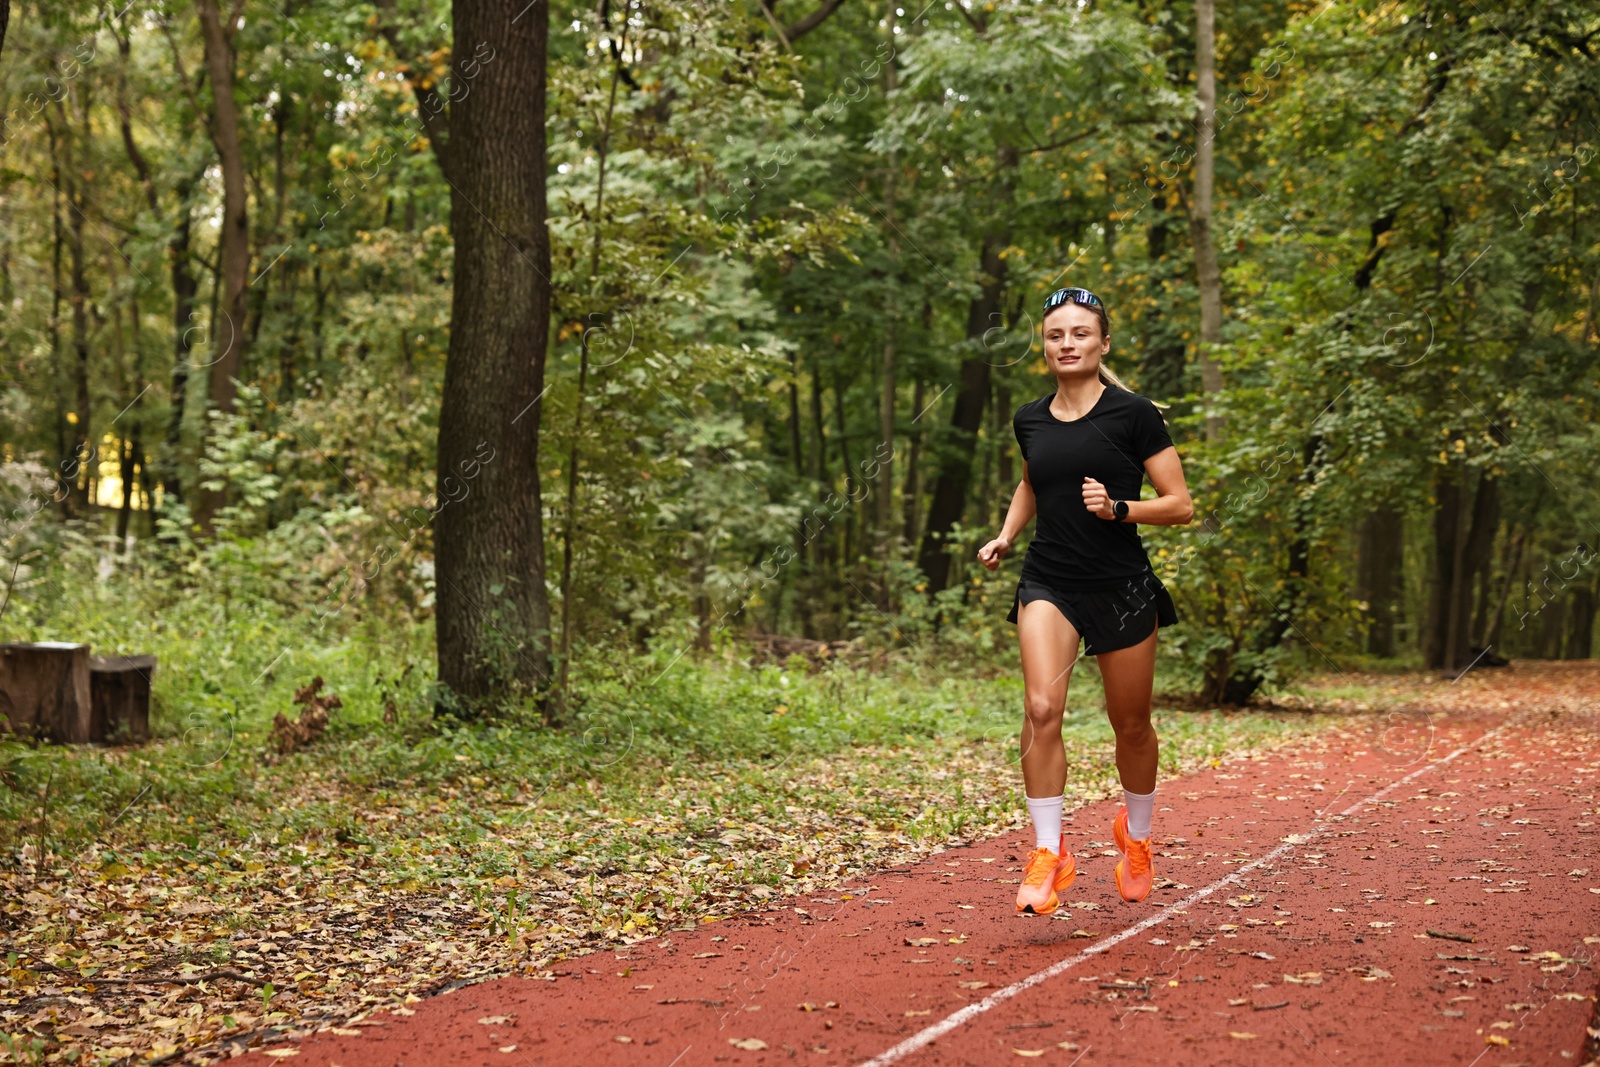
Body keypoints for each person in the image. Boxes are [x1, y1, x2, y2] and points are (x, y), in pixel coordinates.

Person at [977, 285, 1194, 913]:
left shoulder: (1135, 414)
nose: (1066, 344)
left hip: (1123, 588)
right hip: (1050, 581)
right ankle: (1049, 851)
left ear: (1102, 342)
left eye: (1079, 334)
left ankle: (1138, 834)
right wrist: (1007, 534)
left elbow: (1179, 505)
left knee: (1130, 725)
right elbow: (1032, 481)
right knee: (1042, 708)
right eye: (1055, 335)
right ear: (1043, 346)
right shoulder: (1030, 416)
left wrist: (1120, 508)